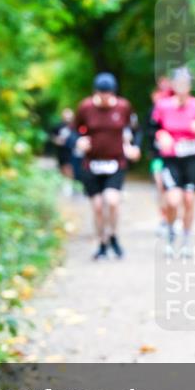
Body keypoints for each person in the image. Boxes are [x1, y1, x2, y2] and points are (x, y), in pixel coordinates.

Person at [73, 73, 140, 260]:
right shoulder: (85, 107)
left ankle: (113, 235)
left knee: (112, 200)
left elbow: (135, 129)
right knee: (96, 206)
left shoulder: (123, 107)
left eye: (109, 94)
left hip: (115, 162)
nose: (105, 99)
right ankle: (102, 242)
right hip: (92, 164)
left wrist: (134, 146)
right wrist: (78, 141)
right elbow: (73, 131)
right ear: (96, 92)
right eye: (102, 94)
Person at [151, 67, 195, 258]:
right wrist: (162, 135)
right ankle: (170, 233)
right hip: (172, 160)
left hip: (193, 159)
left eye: (186, 84)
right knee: (173, 199)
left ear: (190, 86)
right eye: (179, 83)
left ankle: (186, 240)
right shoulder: (163, 105)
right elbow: (151, 129)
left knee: (189, 200)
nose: (182, 87)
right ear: (174, 85)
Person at [148, 75, 175, 238]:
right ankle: (164, 218)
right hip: (158, 155)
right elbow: (149, 129)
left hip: (176, 157)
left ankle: (173, 218)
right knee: (161, 186)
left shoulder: (180, 103)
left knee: (174, 190)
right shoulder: (156, 105)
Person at [49, 108, 77, 196]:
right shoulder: (58, 126)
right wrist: (57, 141)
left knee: (69, 167)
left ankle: (69, 186)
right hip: (61, 151)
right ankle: (65, 184)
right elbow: (52, 136)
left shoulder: (75, 126)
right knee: (62, 168)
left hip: (72, 151)